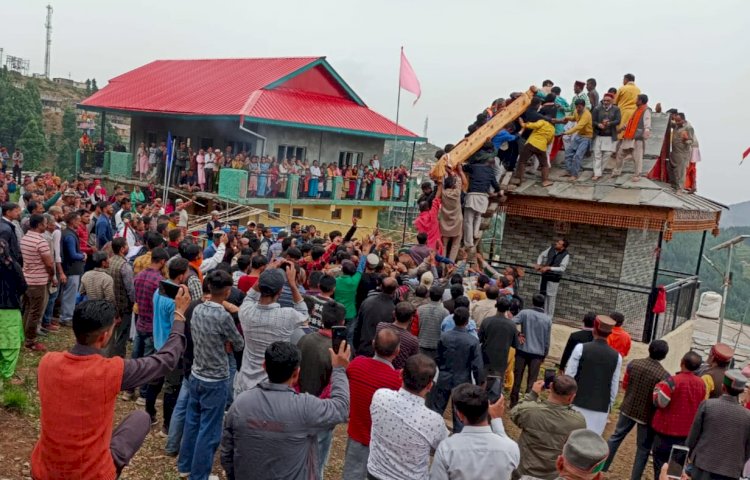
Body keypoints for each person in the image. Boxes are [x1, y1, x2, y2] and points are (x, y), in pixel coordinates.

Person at [31, 290, 190, 480]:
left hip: (44, 469)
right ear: (104, 336)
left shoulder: (47, 362)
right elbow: (166, 360)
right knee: (142, 418)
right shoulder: (111, 370)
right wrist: (179, 315)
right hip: (92, 474)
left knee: (138, 418)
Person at [221, 340, 351, 480]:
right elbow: (341, 407)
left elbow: (227, 452)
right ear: (296, 373)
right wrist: (338, 369)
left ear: (264, 366)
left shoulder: (240, 404)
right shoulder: (305, 407)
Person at [178, 270, 245, 480]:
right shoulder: (223, 316)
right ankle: (199, 475)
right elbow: (239, 342)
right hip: (215, 378)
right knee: (209, 431)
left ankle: (185, 465)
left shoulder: (196, 309)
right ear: (227, 291)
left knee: (192, 422)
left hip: (196, 372)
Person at [367, 354, 449, 480]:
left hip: (375, 473)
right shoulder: (434, 421)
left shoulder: (380, 396)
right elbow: (444, 448)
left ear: (401, 374)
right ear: (429, 386)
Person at [235, 265, 308, 395]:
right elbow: (303, 313)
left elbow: (250, 296)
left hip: (244, 383)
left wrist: (266, 274)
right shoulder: (287, 315)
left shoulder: (245, 311)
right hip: (271, 386)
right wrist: (292, 285)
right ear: (280, 292)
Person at [603, 339, 669, 480]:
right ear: (664, 356)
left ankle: (603, 466)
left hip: (628, 407)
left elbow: (625, 384)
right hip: (647, 415)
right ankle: (635, 477)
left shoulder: (634, 364)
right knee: (643, 449)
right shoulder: (664, 375)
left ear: (649, 349)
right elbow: (658, 399)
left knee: (616, 437)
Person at [342, 329, 402, 479]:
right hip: (383, 444)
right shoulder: (398, 381)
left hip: (356, 435)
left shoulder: (356, 364)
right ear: (397, 351)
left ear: (373, 343)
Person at [296, 300, 347, 478]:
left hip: (300, 406)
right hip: (322, 413)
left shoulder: (304, 339)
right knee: (318, 461)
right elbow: (341, 383)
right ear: (342, 323)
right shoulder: (341, 352)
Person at [430, 384, 519, 480]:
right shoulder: (510, 448)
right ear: (487, 408)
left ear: (459, 415)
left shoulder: (446, 448)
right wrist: (496, 419)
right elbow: (508, 447)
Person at [510, 375, 586, 479]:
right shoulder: (578, 421)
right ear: (572, 397)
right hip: (554, 475)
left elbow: (515, 412)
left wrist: (533, 394)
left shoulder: (529, 411)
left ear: (550, 387)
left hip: (524, 472)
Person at [686, 369, 750, 480]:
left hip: (703, 465)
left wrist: (690, 455)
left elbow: (693, 437)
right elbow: (748, 448)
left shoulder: (707, 405)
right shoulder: (747, 415)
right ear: (741, 391)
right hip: (731, 471)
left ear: (723, 387)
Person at [650, 350, 706, 477]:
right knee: (675, 470)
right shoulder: (701, 384)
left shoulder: (671, 381)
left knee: (660, 467)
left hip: (665, 432)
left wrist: (657, 390)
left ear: (681, 363)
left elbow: (660, 402)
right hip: (685, 436)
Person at [431, 306, 485, 433]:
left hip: (444, 376)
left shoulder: (444, 337)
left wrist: (443, 368)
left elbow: (437, 357)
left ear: (453, 319)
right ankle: (457, 439)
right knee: (460, 413)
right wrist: (479, 382)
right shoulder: (472, 341)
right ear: (467, 322)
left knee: (437, 409)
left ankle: (432, 434)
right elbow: (477, 365)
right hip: (463, 379)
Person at [565, 316, 621, 435]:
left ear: (594, 330)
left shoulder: (581, 348)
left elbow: (569, 375)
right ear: (610, 333)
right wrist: (609, 404)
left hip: (577, 400)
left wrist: (567, 397)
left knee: (572, 438)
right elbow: (614, 384)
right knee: (592, 441)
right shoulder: (617, 356)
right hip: (601, 406)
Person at [510, 294, 552, 407]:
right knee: (532, 380)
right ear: (544, 304)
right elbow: (547, 339)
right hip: (537, 354)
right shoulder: (547, 319)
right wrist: (545, 354)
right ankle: (528, 404)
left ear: (532, 302)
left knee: (517, 376)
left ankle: (513, 402)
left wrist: (518, 334)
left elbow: (511, 322)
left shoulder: (525, 313)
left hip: (522, 350)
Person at [21, 214, 54, 351]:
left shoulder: (25, 238)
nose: (46, 226)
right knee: (35, 312)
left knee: (28, 310)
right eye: (45, 223)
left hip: (27, 278)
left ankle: (23, 336)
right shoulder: (41, 242)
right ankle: (30, 341)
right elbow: (49, 264)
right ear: (39, 225)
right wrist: (52, 276)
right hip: (38, 281)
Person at [461, 144, 499, 248]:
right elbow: (496, 185)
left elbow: (463, 167)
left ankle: (468, 242)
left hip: (472, 196)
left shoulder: (473, 167)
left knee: (468, 220)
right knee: (478, 216)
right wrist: (498, 191)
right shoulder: (490, 171)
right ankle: (475, 233)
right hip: (483, 197)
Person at [0, 237, 26, 382]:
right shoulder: (13, 265)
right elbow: (23, 286)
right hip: (9, 308)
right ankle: (7, 373)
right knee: (10, 342)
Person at [105, 237, 136, 359]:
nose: (128, 247)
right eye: (127, 245)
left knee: (111, 334)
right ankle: (118, 359)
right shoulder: (125, 266)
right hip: (123, 307)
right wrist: (134, 302)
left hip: (110, 304)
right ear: (122, 249)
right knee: (122, 335)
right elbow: (130, 289)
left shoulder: (109, 261)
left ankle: (109, 355)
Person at [478, 297, 518, 388]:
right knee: (496, 387)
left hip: (486, 359)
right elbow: (515, 344)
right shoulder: (512, 325)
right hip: (501, 361)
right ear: (508, 309)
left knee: (482, 385)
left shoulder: (487, 321)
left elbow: (479, 339)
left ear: (496, 306)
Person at [353, 277, 397, 357]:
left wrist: (356, 345)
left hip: (364, 348)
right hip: (380, 352)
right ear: (395, 290)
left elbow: (357, 326)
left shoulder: (367, 302)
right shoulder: (394, 310)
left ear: (380, 287)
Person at [511, 109, 556, 188]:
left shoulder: (542, 122)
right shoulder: (553, 129)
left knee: (522, 162)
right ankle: (545, 181)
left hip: (531, 143)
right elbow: (550, 140)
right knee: (544, 165)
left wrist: (522, 123)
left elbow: (533, 125)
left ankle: (518, 180)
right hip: (542, 147)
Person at [612, 93, 651, 182]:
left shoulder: (646, 110)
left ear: (640, 101)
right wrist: (622, 128)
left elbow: (647, 121)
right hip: (628, 137)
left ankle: (637, 175)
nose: (635, 101)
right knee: (620, 154)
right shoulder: (636, 110)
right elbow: (631, 122)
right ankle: (617, 171)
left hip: (637, 138)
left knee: (637, 157)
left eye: (637, 99)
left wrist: (647, 130)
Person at [59, 211, 86, 328]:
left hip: (71, 268)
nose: (79, 223)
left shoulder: (67, 233)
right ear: (72, 221)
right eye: (78, 220)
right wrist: (83, 256)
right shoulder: (69, 236)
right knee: (70, 294)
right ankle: (67, 317)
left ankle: (67, 315)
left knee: (69, 293)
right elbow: (72, 254)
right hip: (71, 268)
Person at [375, 302, 419, 370]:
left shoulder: (381, 326)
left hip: (376, 365)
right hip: (396, 374)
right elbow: (412, 363)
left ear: (394, 314)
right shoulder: (413, 341)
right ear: (411, 319)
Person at [534, 238, 570, 318]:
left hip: (554, 278)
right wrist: (538, 264)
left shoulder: (566, 255)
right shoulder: (551, 248)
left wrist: (549, 268)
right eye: (557, 242)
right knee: (542, 294)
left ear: (563, 247)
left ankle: (549, 317)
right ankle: (541, 314)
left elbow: (562, 268)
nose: (556, 243)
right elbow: (541, 255)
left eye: (559, 243)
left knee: (551, 298)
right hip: (544, 276)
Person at [561, 99, 594, 181]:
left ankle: (574, 175)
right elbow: (574, 118)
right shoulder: (576, 111)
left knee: (577, 156)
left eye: (579, 107)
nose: (578, 109)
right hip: (579, 136)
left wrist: (567, 132)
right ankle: (569, 171)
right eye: (576, 107)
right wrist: (567, 117)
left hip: (586, 137)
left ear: (583, 106)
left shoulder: (587, 115)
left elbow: (578, 126)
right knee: (568, 153)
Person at [417, 285, 449, 360]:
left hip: (421, 345)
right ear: (441, 297)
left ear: (429, 295)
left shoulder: (420, 309)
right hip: (436, 347)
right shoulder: (445, 312)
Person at [668, 112, 694, 192]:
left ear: (683, 120)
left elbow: (691, 141)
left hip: (682, 153)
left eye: (678, 121)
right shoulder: (676, 125)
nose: (677, 123)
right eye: (676, 121)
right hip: (674, 152)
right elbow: (669, 122)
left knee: (680, 171)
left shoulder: (688, 128)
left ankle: (680, 189)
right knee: (671, 169)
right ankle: (674, 186)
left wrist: (685, 140)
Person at [439, 174, 463, 261]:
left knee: (444, 246)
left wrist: (443, 176)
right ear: (453, 185)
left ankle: (442, 265)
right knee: (455, 245)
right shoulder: (457, 193)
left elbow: (441, 183)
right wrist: (454, 174)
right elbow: (459, 182)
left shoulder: (443, 193)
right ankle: (451, 264)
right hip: (457, 222)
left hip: (444, 224)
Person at [614, 73, 641, 138]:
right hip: (634, 113)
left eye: (623, 79)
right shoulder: (638, 90)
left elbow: (615, 103)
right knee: (629, 131)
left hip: (623, 112)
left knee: (620, 133)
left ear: (626, 79)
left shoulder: (622, 89)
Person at [0, 202, 23, 266]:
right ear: (8, 213)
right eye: (16, 211)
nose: (19, 213)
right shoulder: (5, 229)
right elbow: (3, 250)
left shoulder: (7, 225)